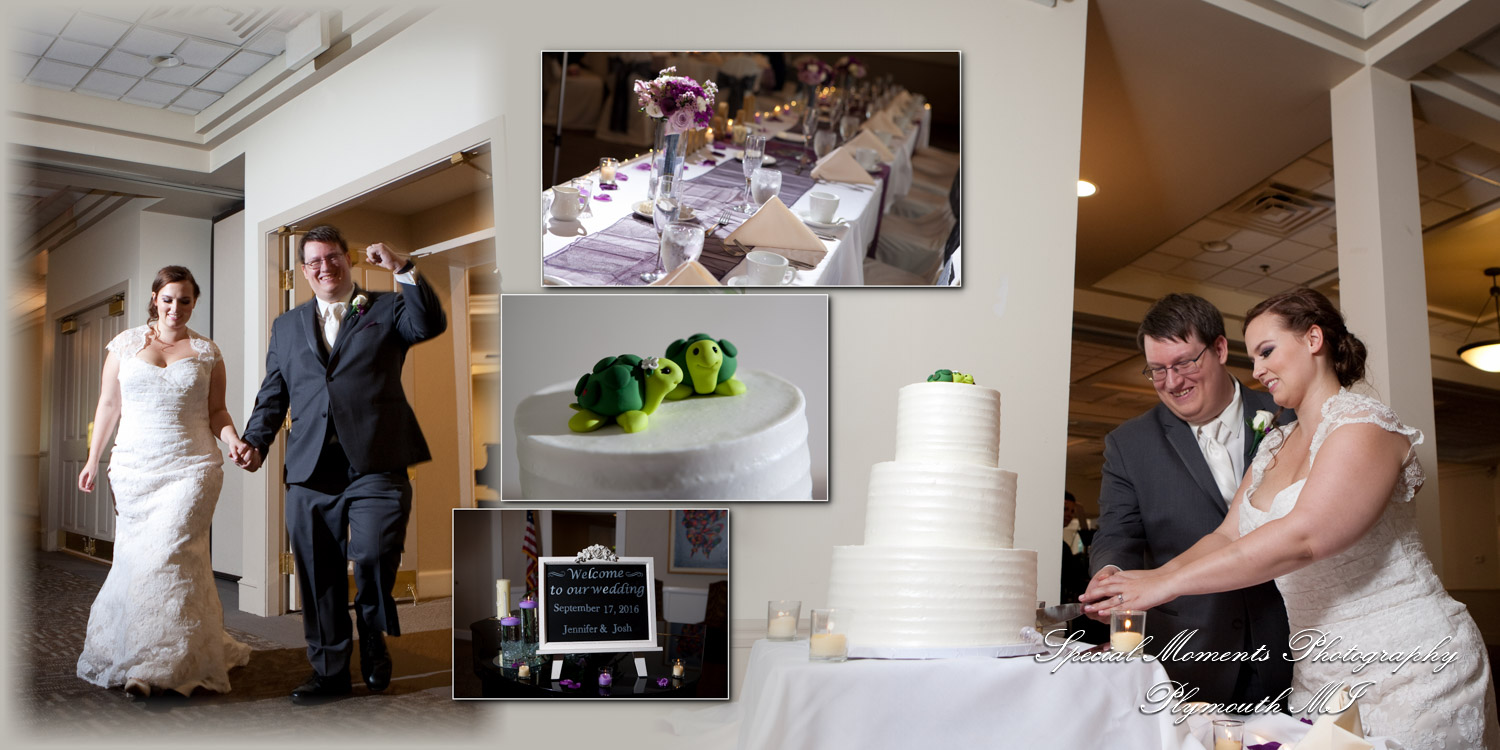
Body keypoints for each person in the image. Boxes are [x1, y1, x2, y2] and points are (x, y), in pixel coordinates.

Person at [1085, 288, 1499, 746]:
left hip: (1408, 662)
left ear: (1313, 339)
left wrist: (1166, 585)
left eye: (1266, 352)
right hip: (1317, 669)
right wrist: (1145, 580)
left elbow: (1305, 537)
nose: (1257, 370)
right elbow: (1227, 535)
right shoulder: (1275, 443)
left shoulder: (1365, 425)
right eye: (1253, 357)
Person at [240, 225, 446, 704]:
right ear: (303, 271)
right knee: (317, 574)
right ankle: (329, 670)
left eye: (332, 256)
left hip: (377, 462)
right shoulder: (286, 326)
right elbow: (274, 392)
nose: (324, 267)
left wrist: (404, 268)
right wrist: (255, 442)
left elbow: (429, 324)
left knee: (373, 555)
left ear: (347, 259)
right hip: (311, 469)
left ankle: (372, 630)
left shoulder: (386, 307)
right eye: (314, 261)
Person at [1083, 293, 1292, 707]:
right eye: (1158, 370)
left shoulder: (1288, 413)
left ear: (1219, 349)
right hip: (1192, 650)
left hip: (1293, 637)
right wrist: (1112, 578)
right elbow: (1119, 533)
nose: (1172, 382)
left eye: (1183, 363)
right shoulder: (1129, 444)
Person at [75, 265, 254, 698]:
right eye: (168, 299)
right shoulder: (125, 344)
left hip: (191, 467)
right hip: (135, 468)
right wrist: (93, 459)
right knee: (138, 559)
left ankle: (155, 667)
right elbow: (109, 405)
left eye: (185, 300)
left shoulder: (207, 352)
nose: (176, 308)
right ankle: (137, 650)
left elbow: (217, 411)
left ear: (194, 302)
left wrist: (234, 439)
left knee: (170, 553)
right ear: (155, 298)